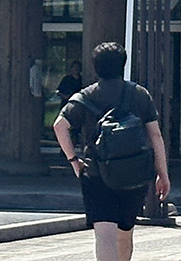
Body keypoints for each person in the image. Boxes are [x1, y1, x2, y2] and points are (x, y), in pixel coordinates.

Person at [53, 41, 170, 261]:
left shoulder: (86, 96)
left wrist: (73, 160)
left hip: (97, 173)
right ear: (123, 65)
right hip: (134, 173)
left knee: (104, 234)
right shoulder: (139, 94)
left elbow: (59, 126)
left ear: (95, 66)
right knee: (125, 231)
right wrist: (162, 174)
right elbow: (155, 135)